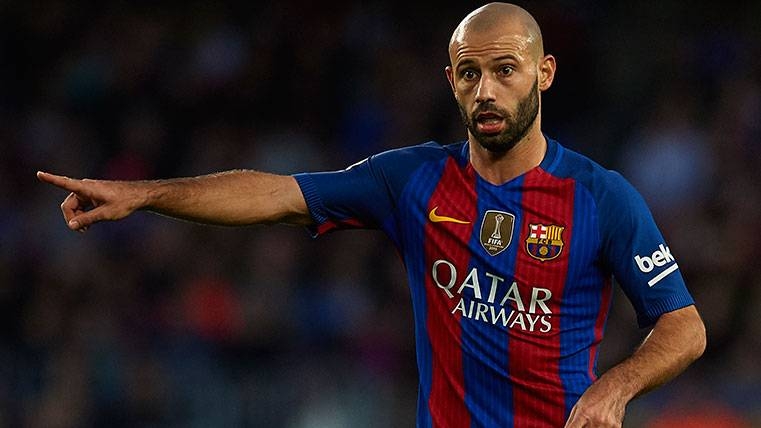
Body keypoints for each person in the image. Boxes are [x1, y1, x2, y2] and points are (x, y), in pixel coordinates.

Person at [37, 3, 705, 427]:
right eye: (469, 73)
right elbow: (276, 195)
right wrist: (144, 194)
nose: (486, 90)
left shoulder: (600, 196)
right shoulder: (412, 179)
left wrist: (615, 388)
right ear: (451, 81)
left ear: (545, 72)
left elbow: (683, 325)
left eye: (506, 70)